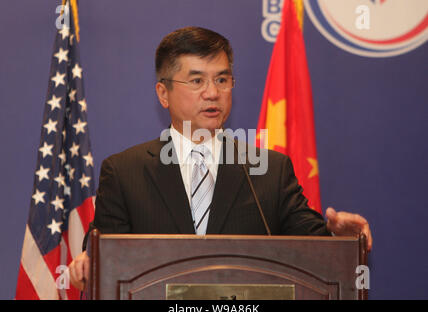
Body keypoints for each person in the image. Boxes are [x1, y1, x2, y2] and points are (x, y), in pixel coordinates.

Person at [69, 26, 372, 291]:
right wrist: (90, 262)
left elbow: (312, 248)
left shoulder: (269, 170)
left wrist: (340, 237)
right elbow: (101, 252)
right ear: (164, 93)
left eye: (222, 80)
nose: (212, 93)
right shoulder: (125, 172)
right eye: (197, 81)